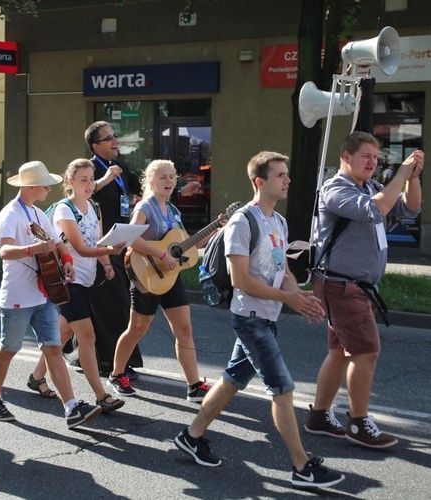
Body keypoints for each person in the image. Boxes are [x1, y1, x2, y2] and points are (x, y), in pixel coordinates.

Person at [174, 151, 345, 490]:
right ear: (260, 181)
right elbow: (241, 280)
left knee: (231, 381)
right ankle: (302, 467)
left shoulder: (278, 222)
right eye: (280, 175)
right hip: (249, 319)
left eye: (286, 174)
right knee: (282, 389)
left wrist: (300, 296)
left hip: (267, 318)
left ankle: (191, 436)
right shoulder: (243, 221)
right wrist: (288, 298)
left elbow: (281, 272)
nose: (287, 180)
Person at [305, 132, 423, 448]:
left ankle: (318, 416)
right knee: (366, 351)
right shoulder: (335, 189)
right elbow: (374, 210)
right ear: (347, 157)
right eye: (366, 156)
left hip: (355, 286)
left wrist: (412, 179)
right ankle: (358, 423)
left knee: (340, 352)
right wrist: (399, 174)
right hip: (343, 286)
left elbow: (410, 209)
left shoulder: (370, 186)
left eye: (375, 157)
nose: (372, 162)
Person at [0, 160, 101, 429]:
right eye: (46, 184)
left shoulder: (37, 213)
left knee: (53, 348)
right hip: (17, 294)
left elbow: (58, 242)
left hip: (43, 293)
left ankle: (71, 407)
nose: (50, 188)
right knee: (9, 349)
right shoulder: (11, 213)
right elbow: (3, 251)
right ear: (33, 186)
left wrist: (67, 260)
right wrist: (32, 250)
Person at [108, 159, 209, 401]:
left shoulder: (173, 211)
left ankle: (193, 385)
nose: (169, 181)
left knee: (184, 329)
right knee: (137, 330)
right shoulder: (145, 207)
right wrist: (161, 254)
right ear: (151, 181)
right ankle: (117, 374)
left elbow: (186, 244)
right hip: (147, 275)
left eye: (172, 177)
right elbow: (131, 238)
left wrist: (215, 230)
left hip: (171, 277)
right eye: (163, 177)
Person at [33, 158, 127, 412]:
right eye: (82, 180)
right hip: (67, 281)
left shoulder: (94, 206)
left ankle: (36, 377)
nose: (88, 184)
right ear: (70, 182)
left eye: (90, 179)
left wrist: (107, 263)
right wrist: (108, 251)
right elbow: (83, 248)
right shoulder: (65, 209)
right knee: (87, 336)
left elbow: (99, 240)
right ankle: (101, 395)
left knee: (62, 334)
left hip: (86, 280)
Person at [84, 121, 143, 378]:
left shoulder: (122, 166)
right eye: (109, 138)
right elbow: (82, 193)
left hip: (121, 242)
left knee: (114, 302)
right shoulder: (91, 168)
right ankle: (112, 363)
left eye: (115, 136)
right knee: (110, 304)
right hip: (99, 246)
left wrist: (138, 198)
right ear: (96, 146)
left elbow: (136, 189)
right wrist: (105, 180)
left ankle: (95, 355)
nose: (115, 140)